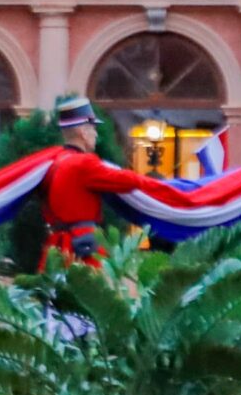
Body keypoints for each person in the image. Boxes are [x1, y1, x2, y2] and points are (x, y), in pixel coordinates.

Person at [39, 94, 171, 268]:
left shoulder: (55, 161)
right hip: (82, 246)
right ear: (82, 132)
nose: (95, 134)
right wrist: (164, 186)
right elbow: (124, 181)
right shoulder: (84, 162)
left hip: (57, 245)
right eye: (93, 128)